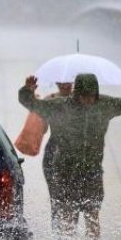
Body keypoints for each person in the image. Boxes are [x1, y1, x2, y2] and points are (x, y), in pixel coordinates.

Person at [19, 72, 121, 240]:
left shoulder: (104, 105)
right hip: (65, 171)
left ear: (96, 94)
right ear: (78, 94)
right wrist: (27, 91)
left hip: (92, 171)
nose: (88, 101)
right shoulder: (59, 106)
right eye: (84, 96)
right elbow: (33, 104)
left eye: (91, 96)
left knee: (92, 214)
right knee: (67, 212)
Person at [42, 82, 73, 232]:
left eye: (68, 81)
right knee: (56, 197)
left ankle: (69, 234)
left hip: (75, 154)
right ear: (56, 83)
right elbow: (42, 130)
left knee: (71, 198)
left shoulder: (83, 101)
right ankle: (59, 235)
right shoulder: (50, 100)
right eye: (62, 82)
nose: (65, 85)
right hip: (53, 152)